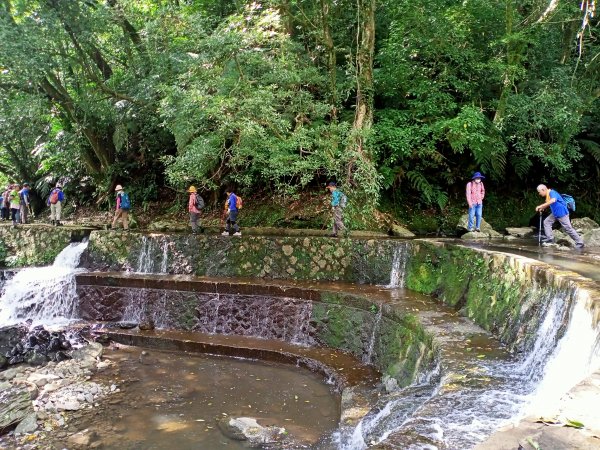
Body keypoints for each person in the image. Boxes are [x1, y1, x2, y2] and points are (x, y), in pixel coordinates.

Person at [535, 184, 584, 249]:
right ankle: (550, 239)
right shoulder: (548, 195)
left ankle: (580, 243)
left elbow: (553, 200)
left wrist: (540, 206)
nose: (539, 194)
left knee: (568, 228)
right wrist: (543, 208)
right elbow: (549, 203)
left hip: (562, 213)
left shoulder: (552, 192)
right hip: (555, 213)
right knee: (547, 222)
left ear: (543, 190)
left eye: (539, 192)